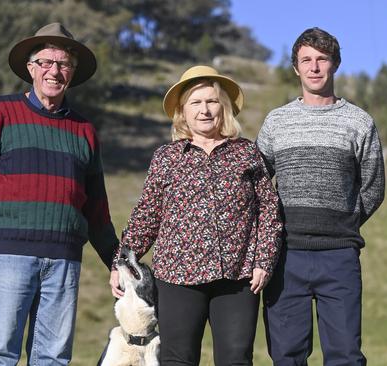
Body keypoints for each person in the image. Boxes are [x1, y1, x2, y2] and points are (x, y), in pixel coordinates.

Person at [0, 22, 119, 365]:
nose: (54, 71)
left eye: (63, 64)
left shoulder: (84, 130)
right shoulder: (0, 113)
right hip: (9, 255)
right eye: (46, 62)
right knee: (0, 352)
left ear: (72, 73)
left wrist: (116, 262)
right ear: (31, 68)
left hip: (64, 259)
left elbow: (97, 209)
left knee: (54, 357)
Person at [109, 65, 283, 365]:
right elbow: (146, 215)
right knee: (177, 359)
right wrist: (121, 263)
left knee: (236, 358)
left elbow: (268, 210)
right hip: (177, 277)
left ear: (224, 108)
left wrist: (263, 262)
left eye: (211, 101)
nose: (204, 110)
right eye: (195, 103)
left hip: (238, 276)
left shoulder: (246, 153)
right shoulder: (167, 157)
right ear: (183, 112)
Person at [257, 27, 386, 365]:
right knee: (287, 356)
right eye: (306, 60)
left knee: (345, 356)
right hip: (284, 257)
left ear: (335, 64)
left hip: (339, 256)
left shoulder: (359, 122)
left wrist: (344, 220)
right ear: (296, 68)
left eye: (322, 59)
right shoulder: (276, 122)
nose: (314, 67)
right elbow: (256, 185)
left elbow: (373, 186)